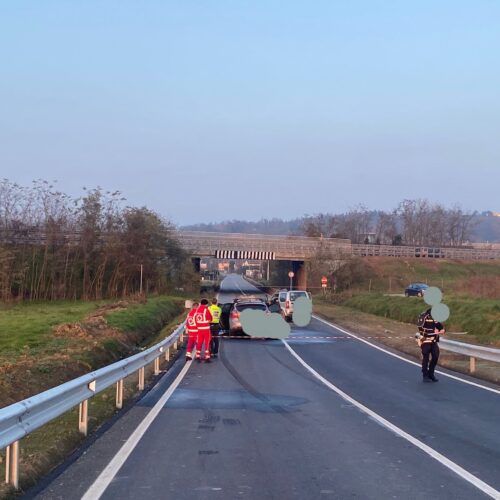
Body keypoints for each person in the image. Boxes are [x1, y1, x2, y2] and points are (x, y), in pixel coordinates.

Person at [417, 308, 445, 382]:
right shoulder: (423, 316)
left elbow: (439, 326)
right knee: (426, 357)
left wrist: (442, 330)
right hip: (425, 340)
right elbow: (420, 328)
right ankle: (425, 375)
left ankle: (431, 374)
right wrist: (434, 331)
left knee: (435, 356)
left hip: (433, 340)